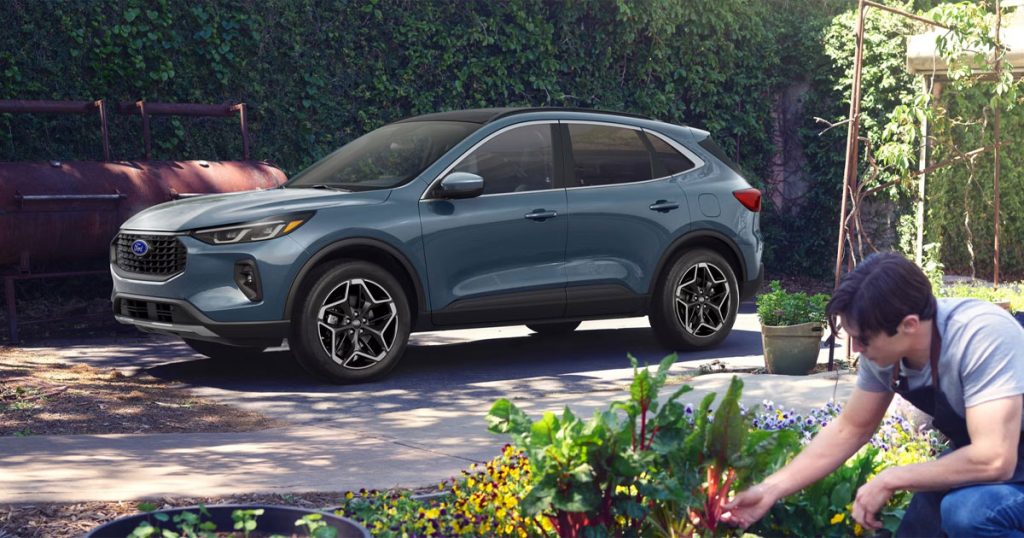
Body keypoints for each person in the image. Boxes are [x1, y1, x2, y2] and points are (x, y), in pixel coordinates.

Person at [721, 251, 1024, 537]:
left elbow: (994, 458)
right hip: (993, 453)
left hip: (1002, 454)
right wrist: (770, 489)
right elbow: (851, 429)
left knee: (969, 512)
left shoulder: (981, 337)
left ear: (909, 325)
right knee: (921, 527)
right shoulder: (886, 352)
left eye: (863, 340)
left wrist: (893, 477)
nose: (857, 350)